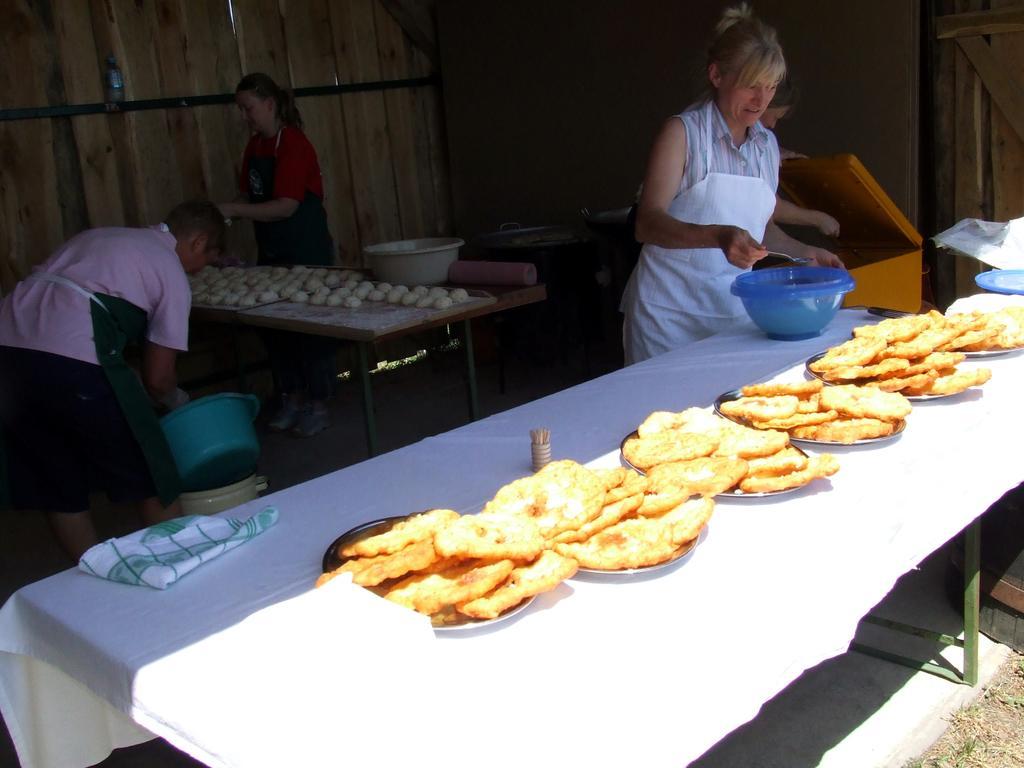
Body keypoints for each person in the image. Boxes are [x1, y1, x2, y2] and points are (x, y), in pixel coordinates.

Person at [622, 3, 845, 365]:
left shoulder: (766, 147)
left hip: (734, 316)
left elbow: (761, 232)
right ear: (717, 76)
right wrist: (718, 236)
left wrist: (803, 252)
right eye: (751, 86)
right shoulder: (682, 134)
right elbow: (647, 224)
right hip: (667, 320)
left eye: (770, 87)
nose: (762, 101)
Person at [0, 201, 226, 559]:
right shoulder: (169, 270)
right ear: (198, 242)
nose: (200, 271)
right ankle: (177, 561)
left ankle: (95, 570)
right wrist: (180, 403)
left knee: (56, 478)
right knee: (151, 469)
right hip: (72, 361)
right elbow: (158, 378)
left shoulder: (99, 237)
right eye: (207, 259)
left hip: (8, 357)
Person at [218, 72, 336, 438]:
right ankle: (292, 396)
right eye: (240, 109)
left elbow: (286, 206)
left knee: (308, 330)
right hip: (272, 251)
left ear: (270, 105)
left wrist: (236, 211)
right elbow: (248, 197)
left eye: (248, 108)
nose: (245, 116)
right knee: (275, 330)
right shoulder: (255, 148)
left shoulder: (295, 145)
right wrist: (219, 214)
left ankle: (319, 402)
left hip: (306, 250)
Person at [761, 77, 841, 237]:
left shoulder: (765, 141)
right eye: (775, 116)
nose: (773, 125)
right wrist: (819, 219)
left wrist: (778, 152)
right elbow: (770, 207)